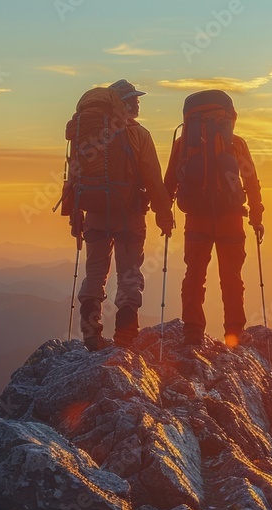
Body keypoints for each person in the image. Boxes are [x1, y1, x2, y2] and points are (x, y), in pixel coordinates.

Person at [74, 79, 174, 350]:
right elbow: (153, 178)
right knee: (129, 274)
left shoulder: (91, 131)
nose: (138, 101)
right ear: (123, 104)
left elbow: (75, 172)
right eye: (133, 98)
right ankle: (126, 337)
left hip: (95, 213)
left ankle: (91, 335)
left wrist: (76, 213)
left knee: (95, 272)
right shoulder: (138, 134)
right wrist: (164, 215)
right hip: (129, 215)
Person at [164, 91, 264, 348]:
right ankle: (234, 332)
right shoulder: (236, 144)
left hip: (197, 220)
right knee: (231, 277)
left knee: (194, 276)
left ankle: (193, 333)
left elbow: (170, 183)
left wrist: (164, 216)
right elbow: (251, 181)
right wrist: (256, 214)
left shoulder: (185, 144)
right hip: (230, 219)